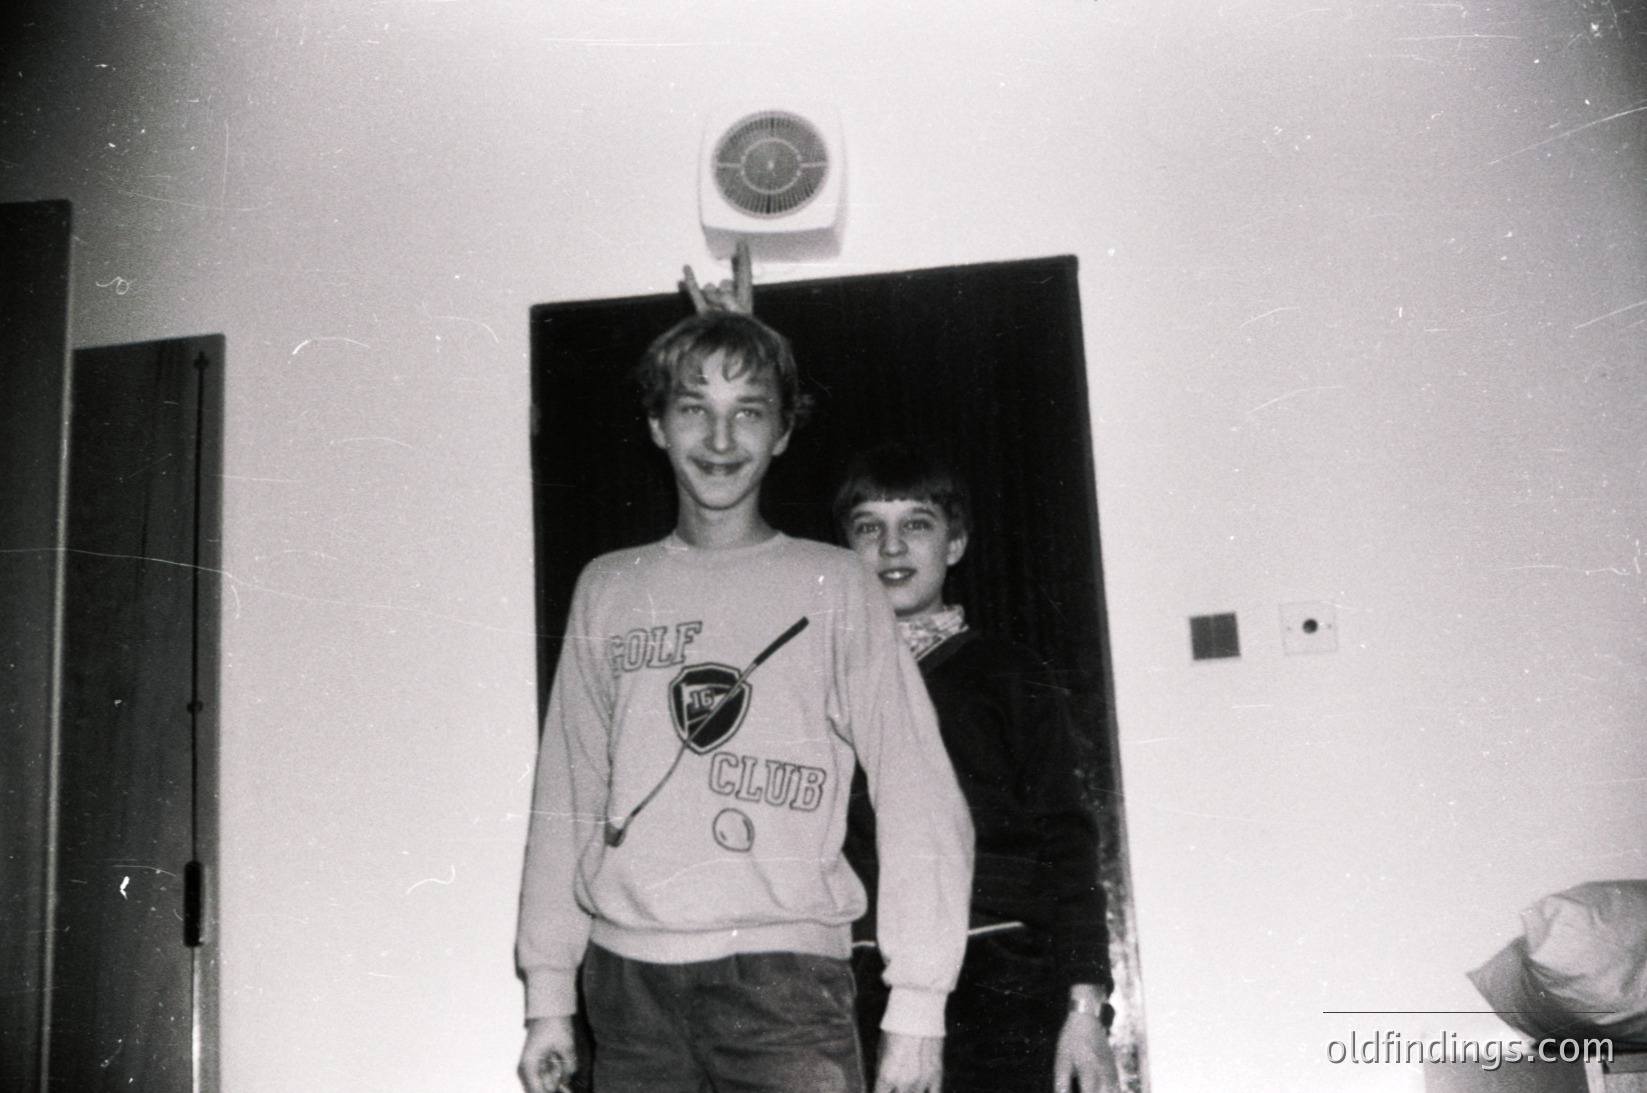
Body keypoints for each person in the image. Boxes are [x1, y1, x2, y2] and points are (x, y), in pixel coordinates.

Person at [515, 298, 974, 1093]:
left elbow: (917, 789)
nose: (721, 441)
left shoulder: (836, 581)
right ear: (658, 425)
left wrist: (918, 1006)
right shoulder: (607, 587)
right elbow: (568, 792)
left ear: (783, 432)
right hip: (627, 989)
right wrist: (549, 995)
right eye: (695, 409)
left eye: (748, 413)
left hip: (786, 986)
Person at [836, 443, 1122, 1093]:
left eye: (916, 523)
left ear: (956, 542)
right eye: (867, 527)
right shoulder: (826, 684)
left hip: (1000, 979)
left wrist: (1083, 1011)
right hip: (864, 982)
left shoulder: (1010, 674)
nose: (890, 546)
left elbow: (1066, 844)